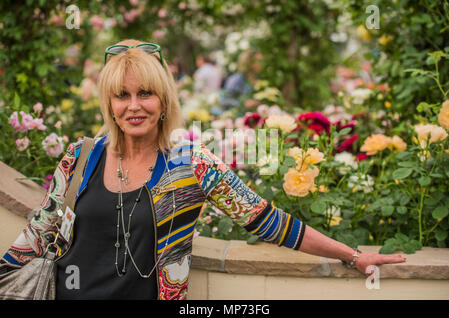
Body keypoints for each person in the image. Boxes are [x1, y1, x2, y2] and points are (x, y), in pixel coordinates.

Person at [0, 39, 406, 300]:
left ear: (163, 102)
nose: (134, 105)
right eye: (121, 96)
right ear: (109, 104)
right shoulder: (81, 157)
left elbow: (266, 220)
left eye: (146, 93)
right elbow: (37, 234)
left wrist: (352, 255)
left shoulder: (191, 164)